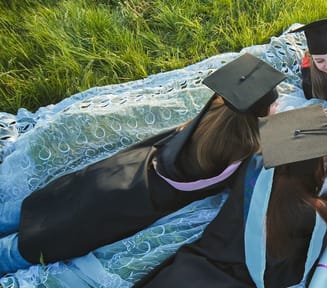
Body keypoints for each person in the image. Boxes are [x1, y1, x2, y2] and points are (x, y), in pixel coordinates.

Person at [0, 53, 286, 275]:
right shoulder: (241, 150)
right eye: (274, 106)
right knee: (53, 235)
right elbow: (246, 185)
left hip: (125, 169)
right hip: (132, 200)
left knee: (51, 203)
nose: (278, 107)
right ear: (258, 116)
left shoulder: (213, 115)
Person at [102, 105, 327, 288]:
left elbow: (270, 151)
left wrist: (299, 125)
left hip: (185, 276)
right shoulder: (310, 214)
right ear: (315, 169)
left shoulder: (251, 170)